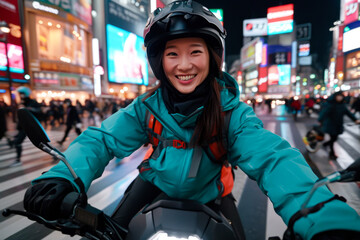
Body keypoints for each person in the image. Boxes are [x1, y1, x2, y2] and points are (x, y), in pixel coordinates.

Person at [23, 1, 360, 240]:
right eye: (172, 53)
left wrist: (324, 218)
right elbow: (101, 139)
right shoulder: (145, 107)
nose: (184, 64)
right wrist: (63, 178)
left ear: (211, 58)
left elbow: (273, 158)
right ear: (160, 61)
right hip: (152, 186)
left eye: (195, 51)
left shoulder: (233, 113)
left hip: (212, 196)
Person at [319, 91, 360, 160]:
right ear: (335, 97)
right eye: (338, 96)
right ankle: (332, 153)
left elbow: (348, 113)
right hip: (330, 124)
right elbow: (324, 113)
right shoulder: (330, 104)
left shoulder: (342, 105)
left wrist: (355, 119)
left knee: (334, 138)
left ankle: (325, 144)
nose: (340, 97)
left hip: (338, 125)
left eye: (341, 96)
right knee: (333, 139)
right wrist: (320, 120)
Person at [8, 86, 41, 167]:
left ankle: (55, 154)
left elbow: (39, 112)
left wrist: (31, 109)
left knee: (42, 143)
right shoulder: (22, 103)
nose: (20, 95)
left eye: (21, 94)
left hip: (30, 127)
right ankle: (17, 159)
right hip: (23, 127)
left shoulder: (32, 102)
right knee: (18, 142)